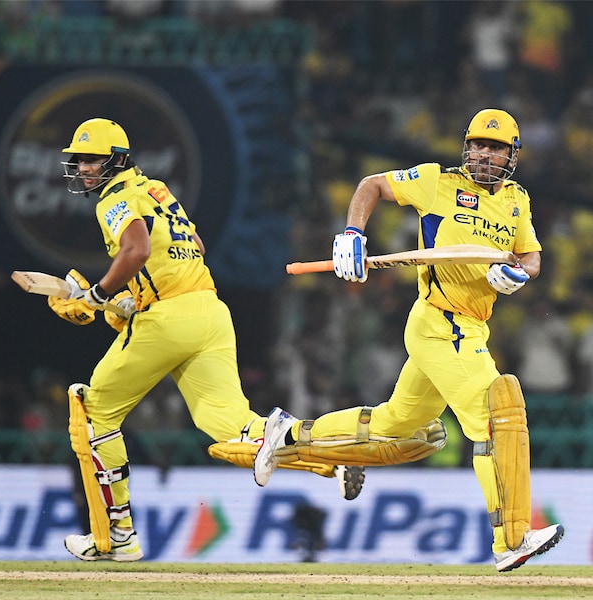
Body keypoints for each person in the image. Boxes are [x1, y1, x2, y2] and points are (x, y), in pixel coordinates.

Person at [254, 109, 564, 572]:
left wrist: (517, 274)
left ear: (513, 155)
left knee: (396, 423)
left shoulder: (517, 200)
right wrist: (353, 236)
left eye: (495, 147)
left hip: (471, 326)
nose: (483, 153)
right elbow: (371, 185)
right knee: (492, 418)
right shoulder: (438, 181)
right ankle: (510, 539)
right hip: (442, 322)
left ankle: (289, 432)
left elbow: (532, 256)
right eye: (477, 143)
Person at [47, 118, 364, 562]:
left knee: (93, 410)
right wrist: (135, 299)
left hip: (170, 318)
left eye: (92, 159)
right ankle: (330, 458)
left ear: (117, 159)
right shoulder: (156, 189)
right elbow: (191, 242)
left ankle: (115, 536)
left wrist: (101, 295)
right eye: (79, 160)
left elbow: (136, 250)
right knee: (232, 427)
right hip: (211, 312)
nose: (83, 168)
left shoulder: (114, 197)